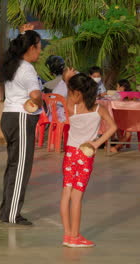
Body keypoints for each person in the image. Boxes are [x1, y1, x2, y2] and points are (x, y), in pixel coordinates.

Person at [60, 72, 117, 248]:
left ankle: (68, 235)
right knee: (77, 197)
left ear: (78, 92)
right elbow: (113, 127)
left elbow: (68, 94)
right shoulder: (98, 108)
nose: (70, 94)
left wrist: (67, 79)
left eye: (72, 91)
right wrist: (97, 143)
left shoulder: (72, 106)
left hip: (70, 153)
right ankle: (75, 237)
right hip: (85, 155)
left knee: (66, 194)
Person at [0, 25, 43, 225]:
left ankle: (6, 211)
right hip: (22, 118)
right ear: (31, 48)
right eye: (39, 47)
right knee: (21, 168)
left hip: (9, 116)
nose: (40, 51)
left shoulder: (13, 64)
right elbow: (35, 94)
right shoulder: (27, 69)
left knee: (13, 166)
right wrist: (39, 102)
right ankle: (12, 214)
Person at [110, 79, 132, 153]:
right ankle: (119, 146)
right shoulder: (131, 95)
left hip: (120, 118)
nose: (116, 88)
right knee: (127, 133)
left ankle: (117, 146)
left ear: (122, 87)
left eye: (117, 86)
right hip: (131, 119)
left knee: (118, 128)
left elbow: (111, 102)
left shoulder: (118, 95)